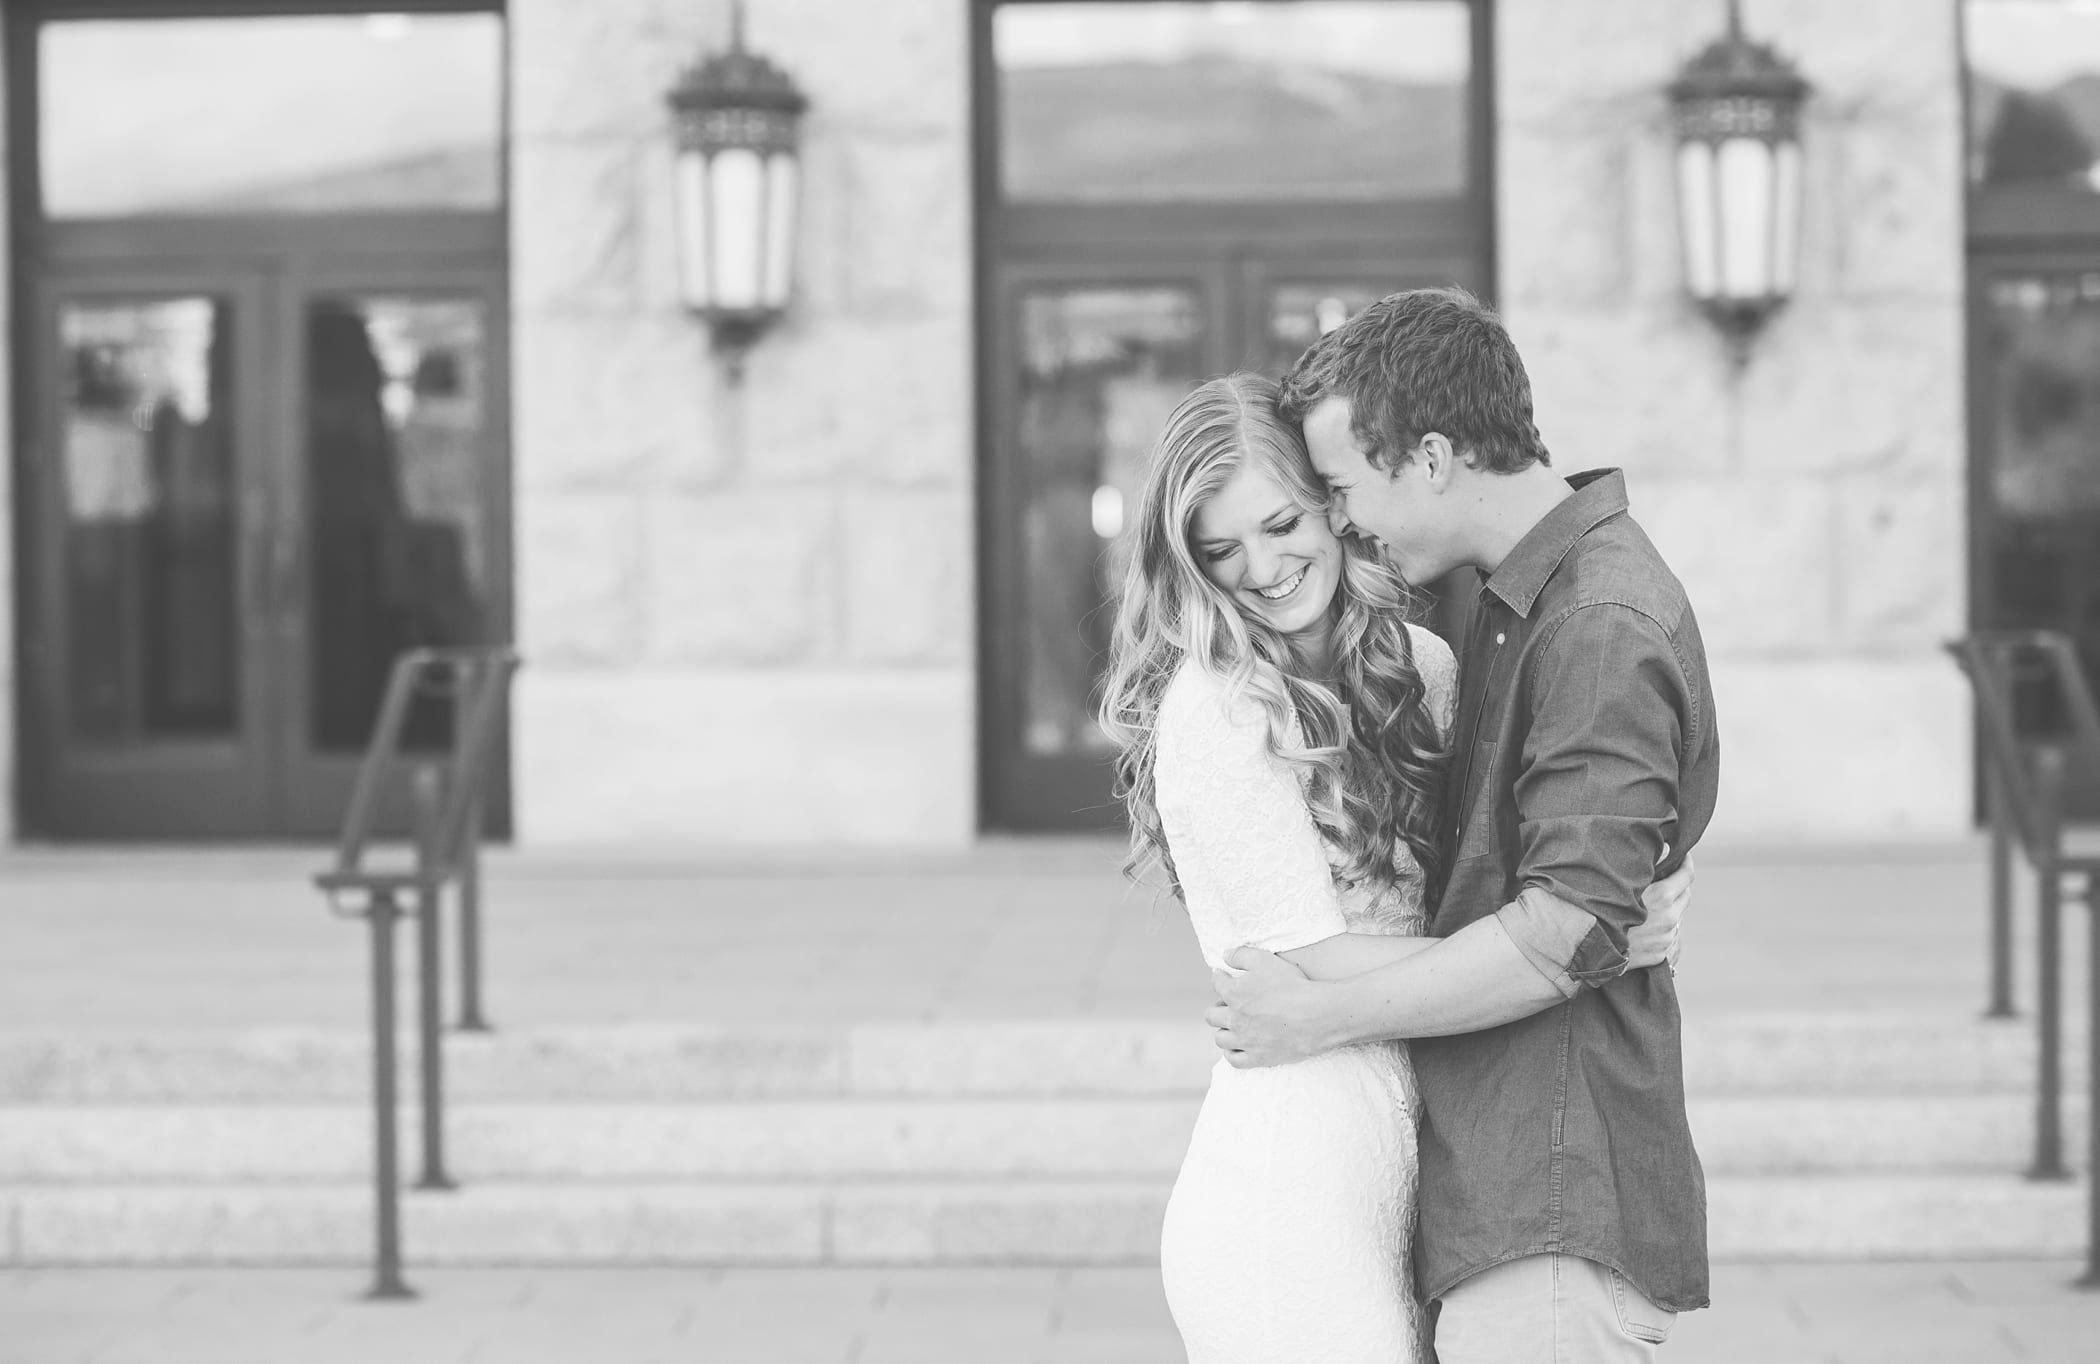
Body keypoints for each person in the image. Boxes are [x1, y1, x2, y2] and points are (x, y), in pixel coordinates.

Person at [1097, 371, 1692, 1364]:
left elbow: (1492, 871)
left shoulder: (1424, 664)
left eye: (1283, 522)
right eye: (1221, 548)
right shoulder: (1219, 704)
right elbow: (1303, 962)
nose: (1263, 566)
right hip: (1290, 1182)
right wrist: (1575, 938)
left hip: (1422, 1164)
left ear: (1333, 506)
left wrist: (1575, 912)